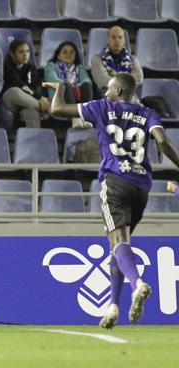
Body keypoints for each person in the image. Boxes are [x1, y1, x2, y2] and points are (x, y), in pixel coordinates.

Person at [44, 73, 179, 329]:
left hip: (115, 181)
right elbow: (161, 141)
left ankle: (137, 284)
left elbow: (57, 109)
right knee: (116, 246)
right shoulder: (147, 113)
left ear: (118, 90)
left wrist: (60, 89)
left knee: (119, 242)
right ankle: (113, 307)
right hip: (141, 187)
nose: (105, 92)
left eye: (108, 88)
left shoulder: (102, 107)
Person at [2, 39, 49, 128]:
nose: (25, 55)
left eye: (27, 51)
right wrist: (40, 99)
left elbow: (35, 86)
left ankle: (34, 141)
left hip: (27, 103)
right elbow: (20, 85)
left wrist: (40, 97)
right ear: (12, 54)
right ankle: (47, 108)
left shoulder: (31, 67)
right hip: (9, 102)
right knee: (15, 91)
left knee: (32, 112)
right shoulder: (6, 66)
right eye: (21, 52)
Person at [44, 41, 92, 128]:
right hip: (59, 100)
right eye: (65, 52)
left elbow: (86, 80)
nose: (68, 54)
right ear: (58, 56)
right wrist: (72, 86)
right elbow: (53, 79)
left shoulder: (79, 67)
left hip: (77, 99)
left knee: (87, 85)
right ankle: (75, 118)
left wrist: (77, 86)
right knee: (66, 85)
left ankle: (86, 117)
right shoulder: (51, 66)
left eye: (72, 52)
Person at [90, 26, 143, 104]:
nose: (117, 40)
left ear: (124, 41)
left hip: (131, 101)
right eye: (113, 37)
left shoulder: (133, 59)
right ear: (108, 40)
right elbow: (104, 82)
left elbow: (139, 78)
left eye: (120, 37)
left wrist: (116, 78)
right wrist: (127, 80)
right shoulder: (97, 59)